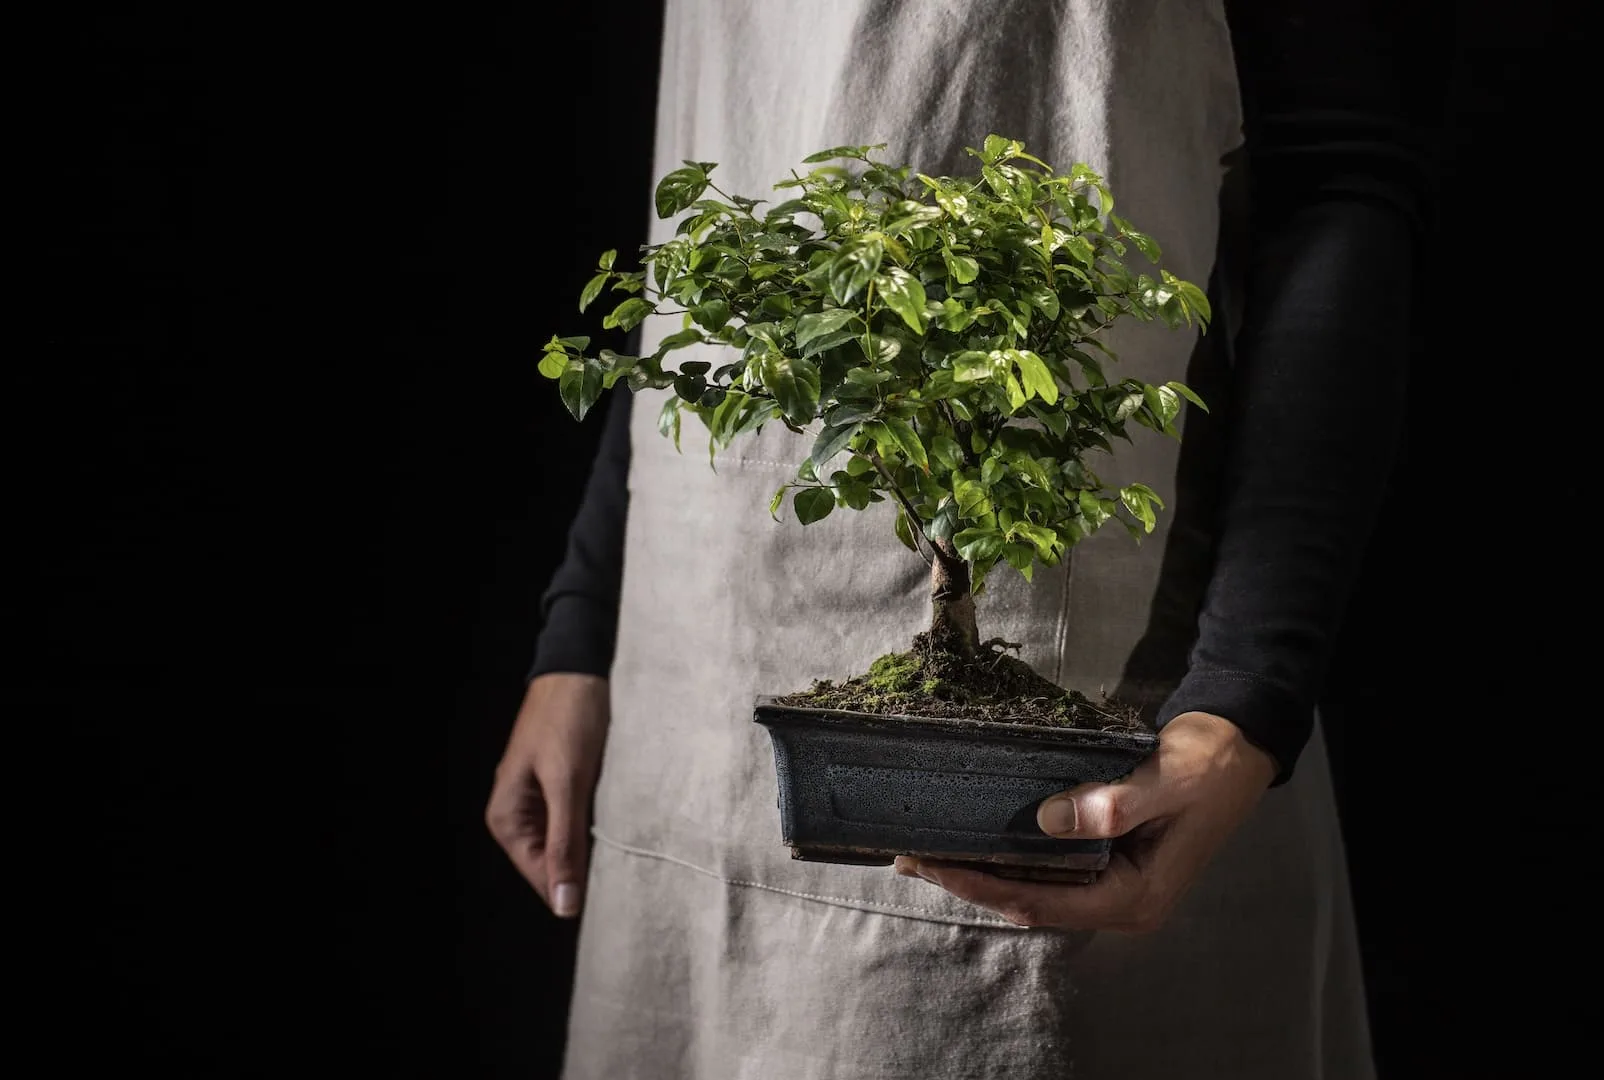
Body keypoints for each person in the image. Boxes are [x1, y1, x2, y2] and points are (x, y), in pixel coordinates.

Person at [488, 0, 1429, 1075]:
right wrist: (583, 624)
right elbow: (720, 222)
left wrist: (1250, 689)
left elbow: (1334, 177)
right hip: (689, 678)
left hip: (1095, 737)